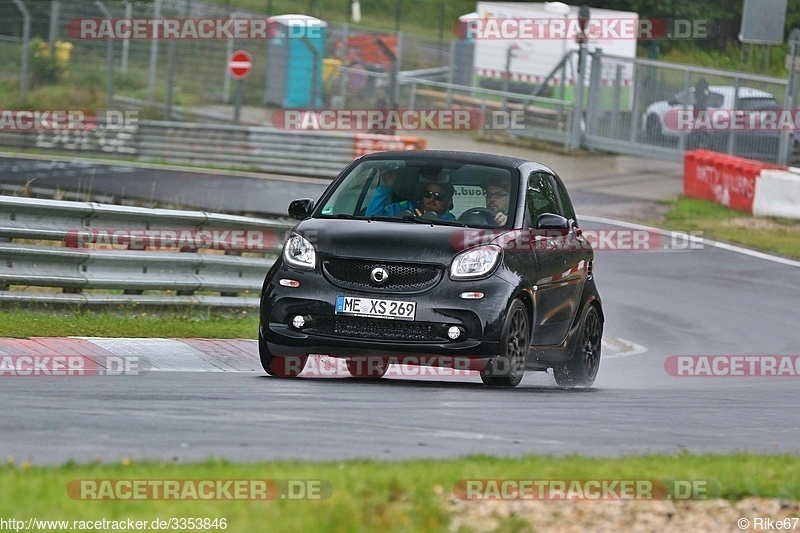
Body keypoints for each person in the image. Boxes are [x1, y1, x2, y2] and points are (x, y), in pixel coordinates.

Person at [366, 167, 455, 221]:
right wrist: (383, 190)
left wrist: (427, 221)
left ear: (448, 202)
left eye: (438, 196)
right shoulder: (403, 207)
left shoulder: (451, 223)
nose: (431, 199)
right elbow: (371, 218)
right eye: (428, 194)